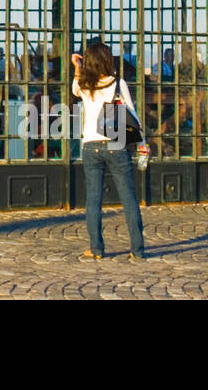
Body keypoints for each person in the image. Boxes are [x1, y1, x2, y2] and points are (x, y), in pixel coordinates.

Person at [71, 41, 145, 262]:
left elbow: (74, 90)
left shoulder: (84, 84)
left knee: (93, 200)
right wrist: (142, 141)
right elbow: (131, 112)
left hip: (90, 144)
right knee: (128, 199)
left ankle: (96, 249)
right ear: (108, 60)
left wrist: (77, 65)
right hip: (116, 142)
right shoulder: (118, 83)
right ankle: (138, 250)